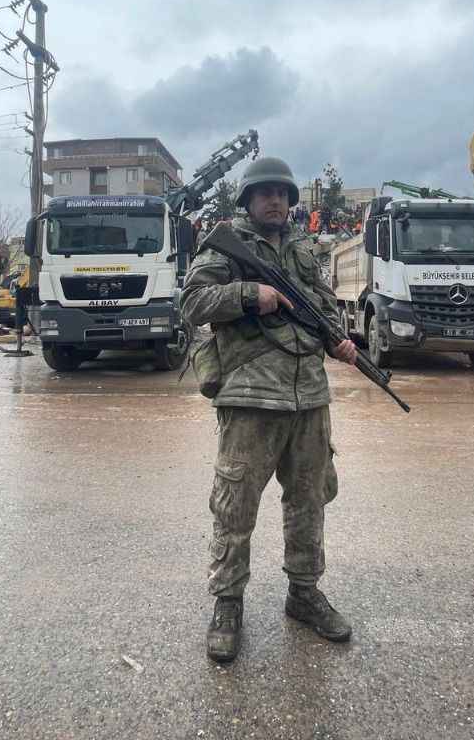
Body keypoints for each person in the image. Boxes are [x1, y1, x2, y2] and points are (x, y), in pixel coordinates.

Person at [181, 155, 359, 664]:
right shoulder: (227, 244)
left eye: (282, 193)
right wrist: (247, 294)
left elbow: (323, 306)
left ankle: (304, 594)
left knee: (309, 500)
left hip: (309, 396)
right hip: (251, 396)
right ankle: (228, 603)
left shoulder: (302, 249)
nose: (276, 200)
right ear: (247, 201)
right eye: (265, 193)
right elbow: (192, 303)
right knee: (235, 505)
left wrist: (340, 341)